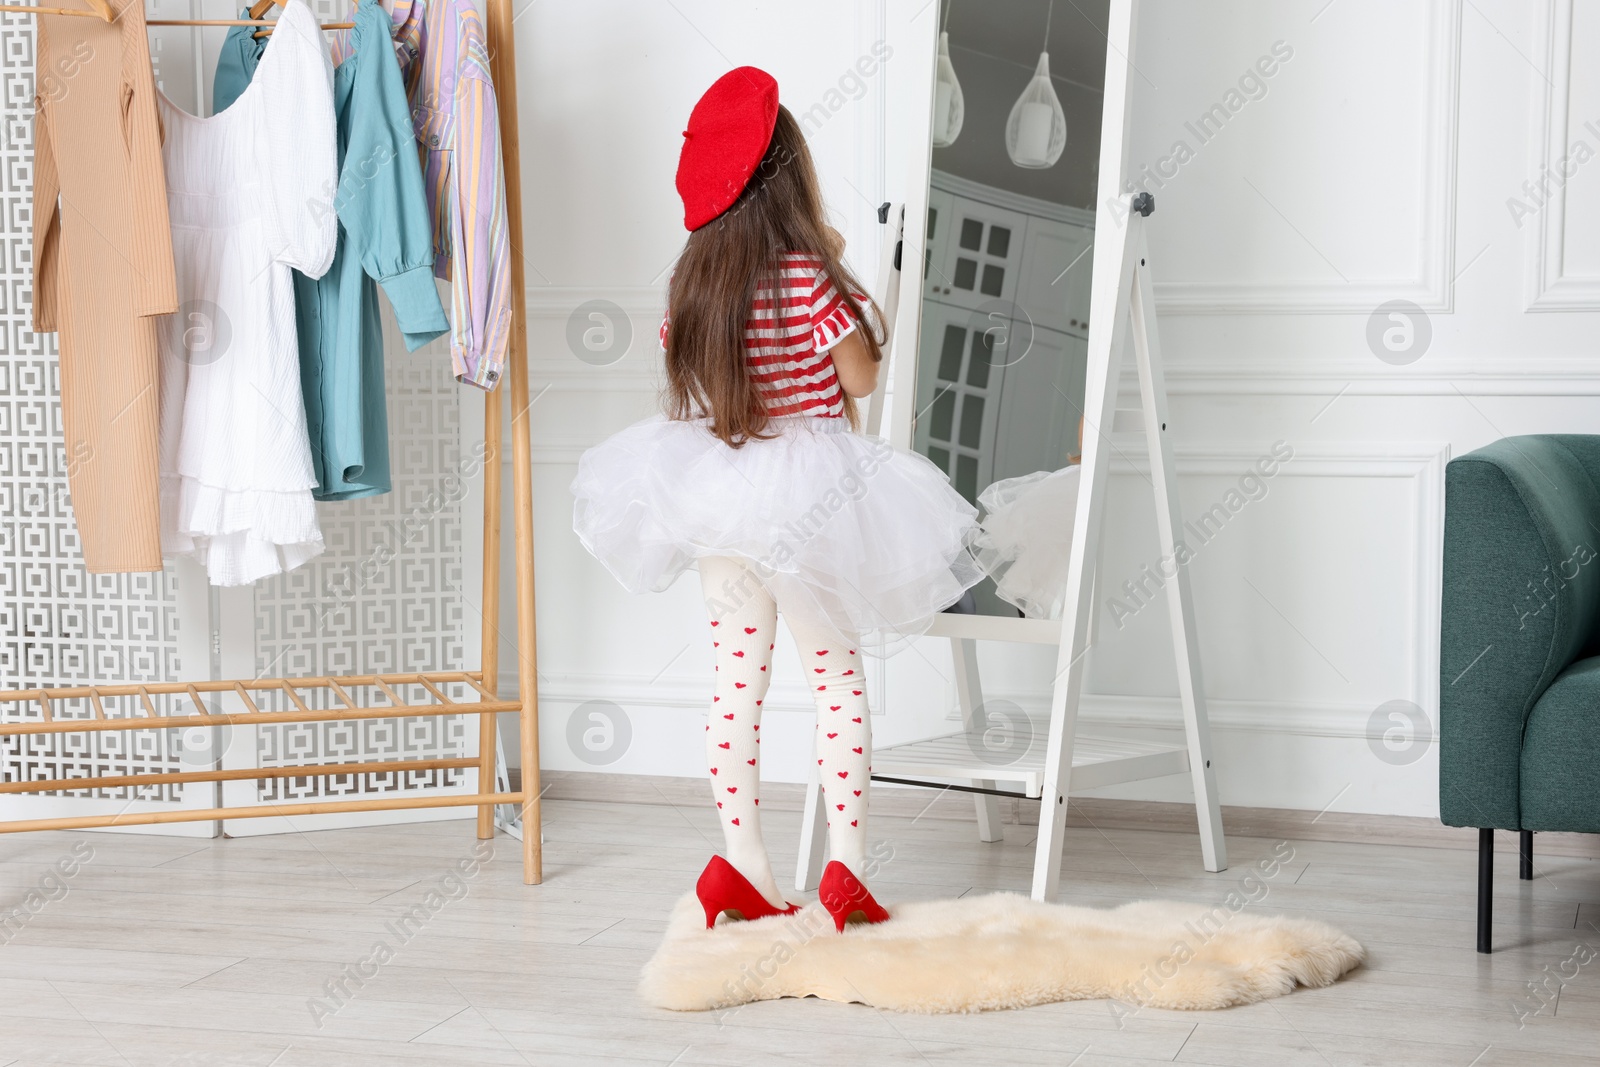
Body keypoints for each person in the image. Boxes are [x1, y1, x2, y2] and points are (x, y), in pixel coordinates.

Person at [571, 67, 983, 933]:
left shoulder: (695, 280)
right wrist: (850, 289)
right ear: (787, 177)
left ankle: (743, 863)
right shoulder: (806, 274)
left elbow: (695, 386)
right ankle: (847, 873)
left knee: (734, 684)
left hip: (723, 487)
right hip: (816, 494)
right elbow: (862, 378)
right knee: (835, 679)